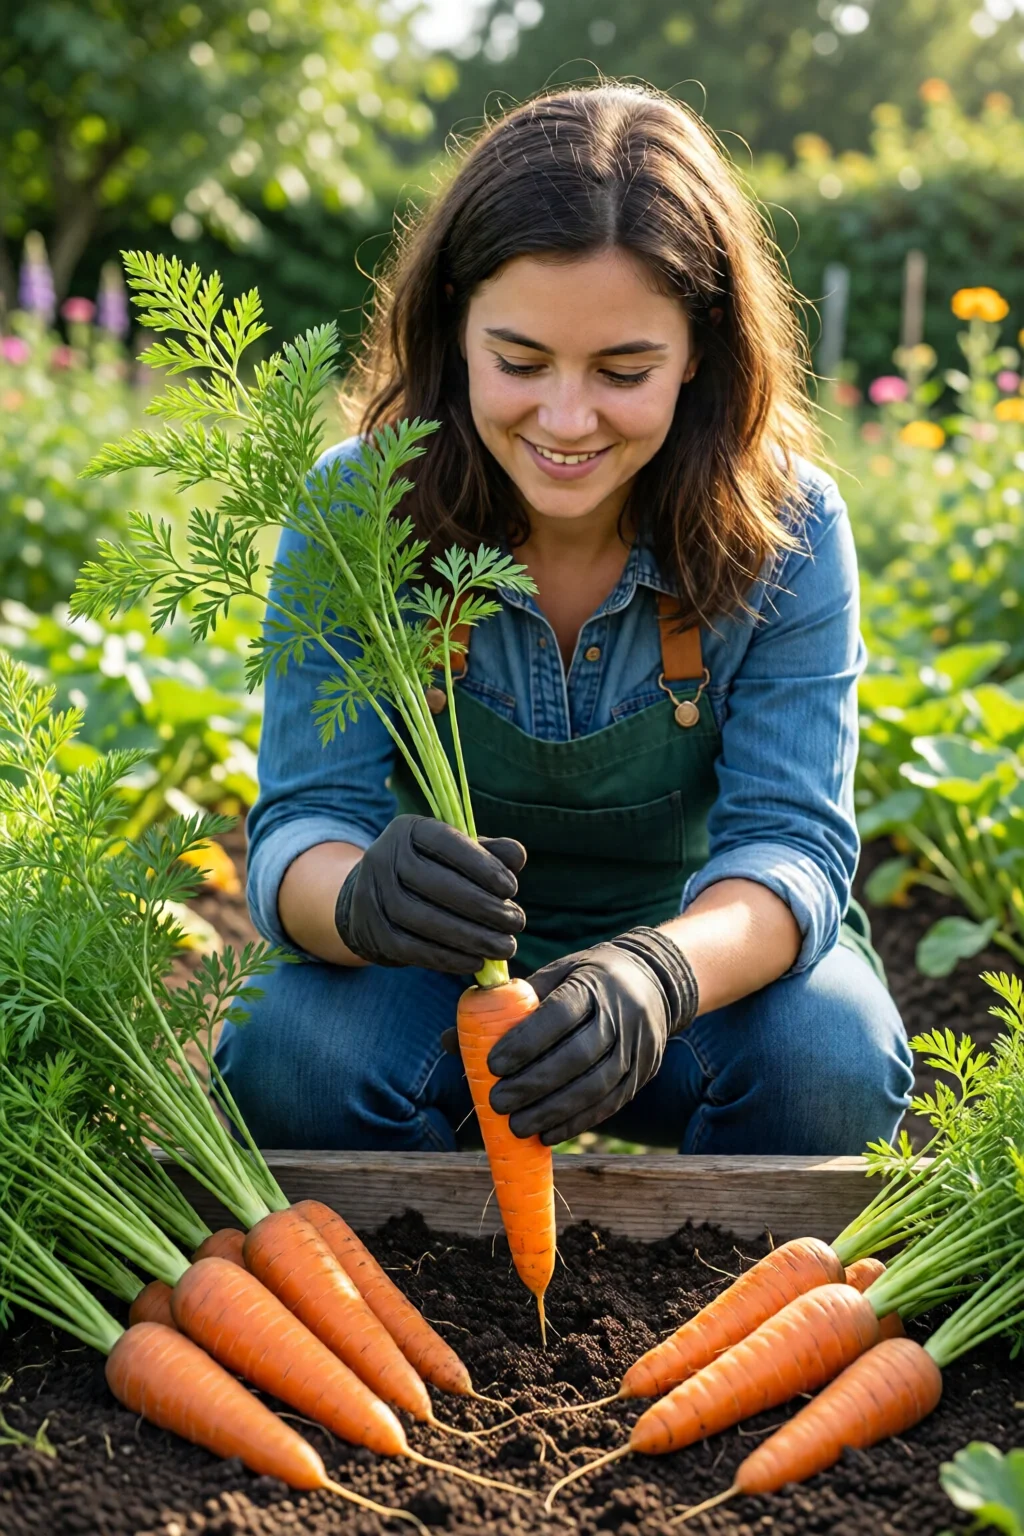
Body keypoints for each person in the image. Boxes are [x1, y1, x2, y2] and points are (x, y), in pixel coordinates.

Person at [215, 83, 913, 1156]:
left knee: (828, 1063)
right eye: (520, 362)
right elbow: (301, 825)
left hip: (691, 998)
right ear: (453, 326)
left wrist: (656, 973)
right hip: (437, 994)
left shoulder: (787, 527)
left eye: (623, 370)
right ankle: (413, 1306)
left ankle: (731, 1316)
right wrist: (356, 898)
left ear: (699, 348)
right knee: (290, 1053)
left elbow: (791, 847)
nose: (567, 420)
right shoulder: (358, 507)